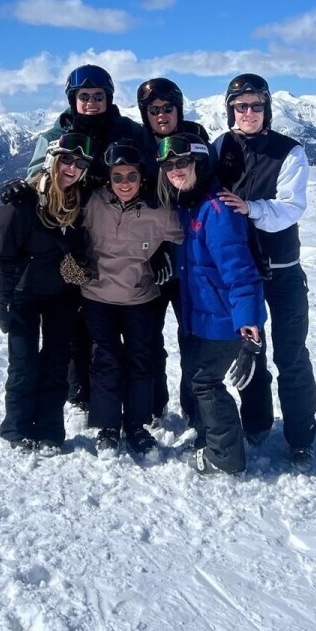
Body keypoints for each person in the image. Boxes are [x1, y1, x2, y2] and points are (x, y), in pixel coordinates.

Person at [27, 64, 146, 413]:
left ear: (108, 98)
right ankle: (80, 391)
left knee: (126, 322)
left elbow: (152, 174)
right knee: (77, 317)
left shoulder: (129, 131)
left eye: (98, 96)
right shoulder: (55, 135)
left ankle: (141, 397)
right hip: (70, 236)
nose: (91, 102)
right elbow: (37, 176)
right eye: (84, 96)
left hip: (121, 238)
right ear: (73, 99)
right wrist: (22, 190)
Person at [214, 74, 316, 469]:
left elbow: (291, 207)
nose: (249, 112)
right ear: (231, 110)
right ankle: (256, 423)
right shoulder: (221, 146)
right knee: (250, 350)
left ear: (267, 108)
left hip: (282, 268)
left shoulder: (289, 151)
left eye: (256, 105)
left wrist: (250, 208)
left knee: (291, 355)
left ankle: (300, 437)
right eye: (241, 106)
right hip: (243, 270)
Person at [157, 133, 267, 476]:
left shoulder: (217, 210)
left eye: (182, 163)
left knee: (206, 383)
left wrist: (248, 324)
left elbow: (241, 271)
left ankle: (225, 457)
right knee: (197, 379)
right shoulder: (188, 204)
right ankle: (209, 436)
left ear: (199, 164)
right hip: (200, 317)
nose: (175, 170)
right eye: (168, 166)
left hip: (223, 319)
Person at [0, 131, 92, 454]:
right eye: (67, 160)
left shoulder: (81, 202)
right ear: (51, 160)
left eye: (79, 164)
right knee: (23, 364)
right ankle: (17, 428)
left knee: (56, 363)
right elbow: (4, 257)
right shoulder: (22, 203)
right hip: (24, 295)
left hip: (62, 296)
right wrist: (2, 301)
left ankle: (50, 430)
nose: (72, 168)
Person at [80, 139, 183, 457]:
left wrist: (166, 251)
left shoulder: (158, 210)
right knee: (106, 359)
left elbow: (185, 238)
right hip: (97, 295)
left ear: (142, 177)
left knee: (140, 360)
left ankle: (137, 425)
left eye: (131, 176)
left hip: (139, 297)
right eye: (117, 177)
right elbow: (61, 213)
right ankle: (108, 426)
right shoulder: (93, 202)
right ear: (108, 179)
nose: (125, 183)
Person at [136, 78, 210, 422]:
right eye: (154, 110)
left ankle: (195, 409)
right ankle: (154, 406)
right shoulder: (138, 144)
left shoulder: (196, 138)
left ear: (178, 109)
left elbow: (207, 190)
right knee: (148, 339)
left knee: (192, 337)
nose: (161, 115)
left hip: (188, 258)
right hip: (150, 258)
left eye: (168, 108)